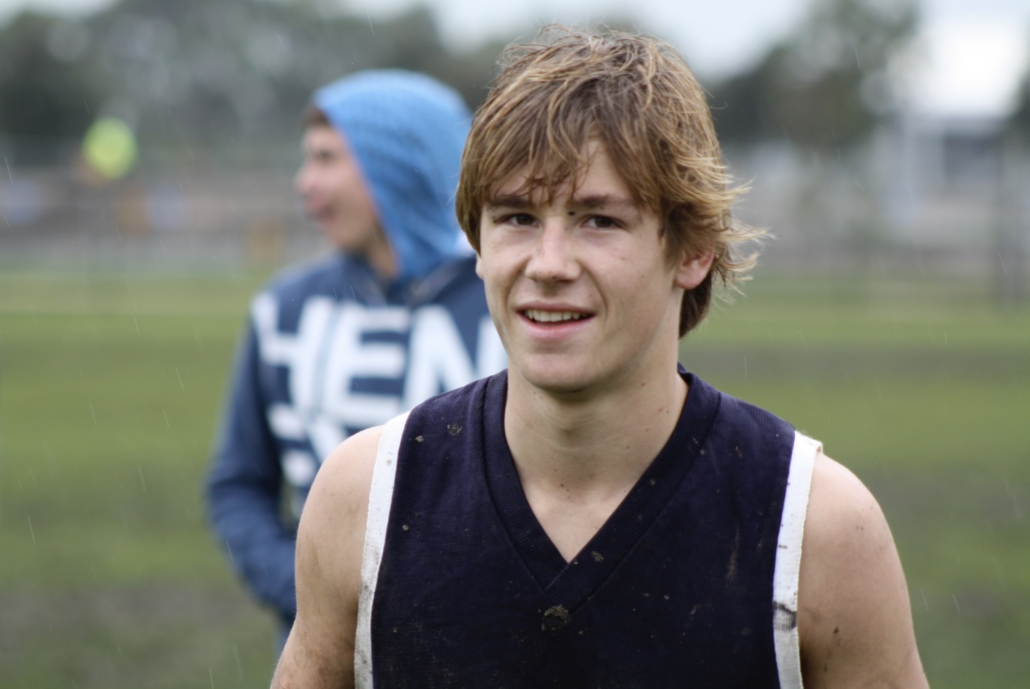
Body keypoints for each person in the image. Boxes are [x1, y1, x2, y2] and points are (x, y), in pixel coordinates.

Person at [272, 29, 928, 689]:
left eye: (599, 220)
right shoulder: (365, 496)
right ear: (475, 242)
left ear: (693, 249)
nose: (549, 265)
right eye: (517, 217)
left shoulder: (819, 527)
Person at [206, 70, 505, 643]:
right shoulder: (285, 309)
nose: (304, 183)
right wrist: (307, 595)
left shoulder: (511, 302)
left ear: (399, 163)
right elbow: (238, 482)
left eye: (326, 158)